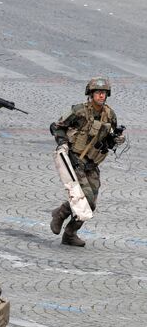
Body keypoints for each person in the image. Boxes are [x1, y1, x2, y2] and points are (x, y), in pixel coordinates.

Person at [49, 78, 125, 247]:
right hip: (76, 160)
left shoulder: (110, 114)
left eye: (104, 93)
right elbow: (57, 126)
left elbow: (109, 139)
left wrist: (116, 139)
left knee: (91, 205)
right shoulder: (79, 111)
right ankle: (61, 214)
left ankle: (69, 233)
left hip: (92, 163)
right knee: (86, 199)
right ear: (90, 94)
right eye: (98, 92)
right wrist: (62, 142)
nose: (101, 95)